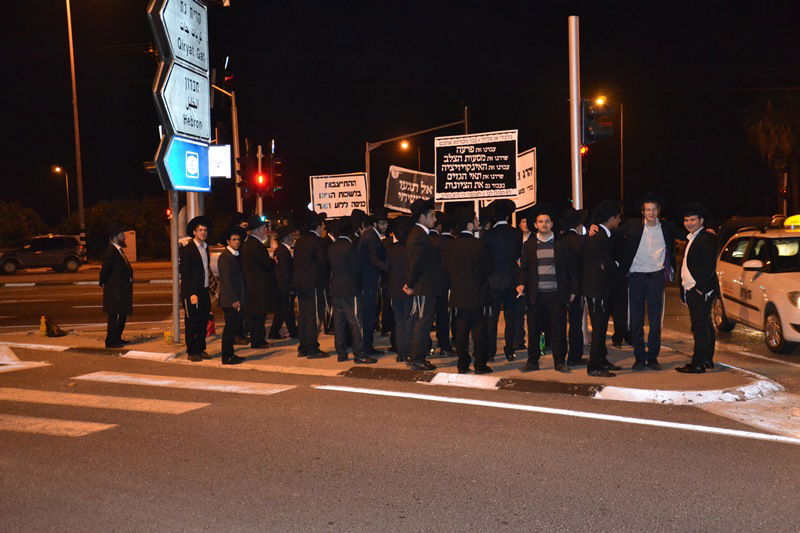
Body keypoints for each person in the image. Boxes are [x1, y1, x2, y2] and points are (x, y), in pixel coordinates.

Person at [618, 193, 678, 370]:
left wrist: (707, 230)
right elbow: (613, 234)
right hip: (636, 276)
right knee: (636, 320)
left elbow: (686, 233)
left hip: (656, 277)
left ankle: (652, 357)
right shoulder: (632, 225)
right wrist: (594, 228)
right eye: (647, 210)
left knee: (655, 319)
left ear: (659, 211)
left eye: (654, 209)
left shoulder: (667, 227)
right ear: (642, 212)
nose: (651, 213)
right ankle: (639, 357)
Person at [516, 206, 578, 372]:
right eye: (540, 222)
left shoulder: (561, 244)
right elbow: (524, 269)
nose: (544, 224)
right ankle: (532, 362)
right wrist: (521, 283)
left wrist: (572, 290)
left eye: (547, 221)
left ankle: (559, 362)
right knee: (534, 330)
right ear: (535, 225)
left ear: (552, 224)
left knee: (558, 329)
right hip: (536, 295)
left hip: (557, 294)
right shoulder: (529, 245)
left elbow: (570, 269)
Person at [443, 208, 493, 374]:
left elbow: (446, 268)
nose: (478, 223)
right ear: (470, 224)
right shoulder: (478, 244)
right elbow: (488, 268)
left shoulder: (451, 244)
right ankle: (480, 364)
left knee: (461, 329)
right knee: (479, 329)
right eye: (476, 220)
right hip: (477, 292)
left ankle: (462, 363)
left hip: (458, 292)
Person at [676, 202, 719, 374]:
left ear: (701, 220)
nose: (689, 223)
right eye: (686, 220)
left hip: (699, 290)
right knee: (705, 325)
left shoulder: (706, 237)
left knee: (700, 327)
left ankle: (698, 363)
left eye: (693, 219)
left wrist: (700, 288)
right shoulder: (693, 237)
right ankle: (706, 360)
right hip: (693, 289)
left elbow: (710, 265)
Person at [582, 201, 623, 377]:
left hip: (600, 288)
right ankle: (594, 365)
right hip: (596, 289)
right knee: (599, 328)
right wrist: (616, 265)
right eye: (618, 217)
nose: (620, 221)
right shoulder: (598, 236)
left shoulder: (602, 234)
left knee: (602, 326)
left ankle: (601, 359)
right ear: (611, 218)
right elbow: (607, 263)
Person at [328, 217, 376, 364]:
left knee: (339, 324)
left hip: (336, 288)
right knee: (356, 323)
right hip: (350, 288)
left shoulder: (332, 246)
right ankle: (359, 354)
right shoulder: (350, 247)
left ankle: (341, 353)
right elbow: (357, 269)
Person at [402, 198, 441, 371]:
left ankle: (415, 356)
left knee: (421, 320)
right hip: (423, 286)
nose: (435, 219)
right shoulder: (419, 236)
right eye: (432, 216)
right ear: (422, 217)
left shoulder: (420, 234)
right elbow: (415, 263)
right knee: (422, 322)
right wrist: (410, 284)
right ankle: (417, 358)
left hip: (425, 285)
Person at [483, 199, 523, 361]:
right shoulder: (516, 233)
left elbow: (485, 259)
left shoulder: (488, 235)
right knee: (510, 317)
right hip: (511, 280)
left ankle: (490, 351)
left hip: (492, 281)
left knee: (491, 319)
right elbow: (517, 257)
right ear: (508, 216)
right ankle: (509, 349)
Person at [292, 211, 331, 359]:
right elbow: (323, 262)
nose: (323, 228)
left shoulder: (300, 241)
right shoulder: (317, 242)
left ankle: (303, 347)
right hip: (314, 284)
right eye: (322, 225)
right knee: (314, 316)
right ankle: (313, 348)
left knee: (303, 316)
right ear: (317, 226)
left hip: (301, 284)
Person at [240, 216, 277, 350]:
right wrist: (274, 261)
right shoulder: (256, 245)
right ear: (257, 230)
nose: (265, 231)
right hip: (257, 285)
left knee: (256, 314)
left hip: (252, 284)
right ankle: (258, 341)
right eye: (263, 228)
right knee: (259, 314)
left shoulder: (249, 243)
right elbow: (266, 263)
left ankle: (258, 340)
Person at [179, 216, 212, 362]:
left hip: (204, 290)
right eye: (200, 230)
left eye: (205, 230)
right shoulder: (188, 249)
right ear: (194, 232)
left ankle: (201, 348)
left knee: (203, 321)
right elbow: (184, 274)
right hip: (192, 292)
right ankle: (191, 351)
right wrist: (191, 293)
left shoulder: (206, 247)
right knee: (192, 322)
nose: (203, 233)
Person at [357, 209, 389, 356]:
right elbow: (374, 260)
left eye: (386, 223)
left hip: (369, 280)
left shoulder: (371, 235)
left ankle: (368, 346)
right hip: (368, 282)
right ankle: (367, 347)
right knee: (368, 316)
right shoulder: (371, 237)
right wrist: (390, 269)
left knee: (369, 316)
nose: (385, 226)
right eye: (382, 223)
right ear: (375, 223)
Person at [560, 207, 589, 366]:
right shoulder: (581, 241)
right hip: (576, 287)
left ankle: (560, 355)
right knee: (575, 323)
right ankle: (574, 356)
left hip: (558, 286)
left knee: (559, 323)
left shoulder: (557, 240)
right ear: (578, 226)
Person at [99, 223, 133, 349]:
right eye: (121, 234)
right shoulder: (111, 251)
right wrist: (103, 284)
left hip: (121, 290)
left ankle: (117, 338)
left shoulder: (118, 250)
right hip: (115, 291)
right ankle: (111, 341)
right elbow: (105, 270)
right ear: (115, 237)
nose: (124, 237)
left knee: (122, 315)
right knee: (114, 317)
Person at [217, 227, 247, 365]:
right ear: (228, 241)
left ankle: (230, 354)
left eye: (238, 239)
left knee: (233, 327)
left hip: (236, 298)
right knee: (230, 328)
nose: (237, 242)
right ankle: (227, 356)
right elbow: (226, 280)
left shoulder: (236, 255)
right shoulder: (225, 257)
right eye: (234, 239)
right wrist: (234, 299)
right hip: (230, 301)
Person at [429, 211, 455, 357]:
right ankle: (444, 345)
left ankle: (426, 345)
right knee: (443, 315)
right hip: (443, 284)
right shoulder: (443, 241)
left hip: (426, 285)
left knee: (426, 317)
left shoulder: (425, 239)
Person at [387, 217, 413, 362]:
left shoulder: (390, 249)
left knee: (399, 321)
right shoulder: (411, 248)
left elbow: (388, 269)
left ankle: (401, 352)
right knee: (409, 320)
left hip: (394, 289)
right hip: (408, 288)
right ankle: (407, 350)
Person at [268, 225, 298, 340]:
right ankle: (293, 332)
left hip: (281, 287)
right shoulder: (283, 251)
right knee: (287, 310)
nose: (292, 238)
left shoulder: (281, 250)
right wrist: (290, 287)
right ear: (285, 238)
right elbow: (285, 273)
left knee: (282, 311)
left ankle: (274, 332)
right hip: (283, 287)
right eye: (290, 236)